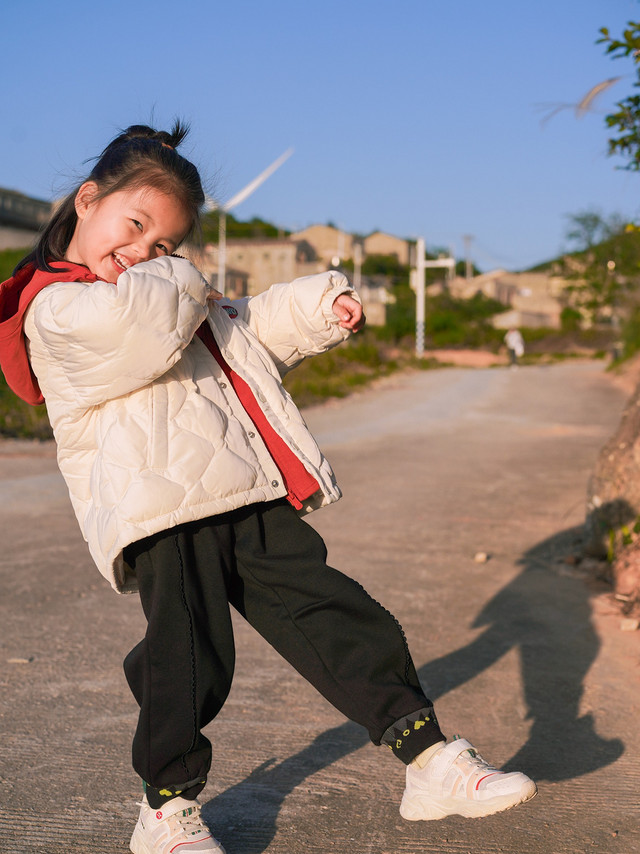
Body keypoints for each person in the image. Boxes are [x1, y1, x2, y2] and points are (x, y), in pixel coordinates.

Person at [0, 123, 537, 854]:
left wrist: (319, 307)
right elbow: (141, 329)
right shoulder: (56, 306)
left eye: (164, 243)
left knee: (339, 615)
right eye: (135, 226)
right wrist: (186, 275)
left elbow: (242, 332)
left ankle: (429, 761)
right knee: (190, 656)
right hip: (160, 508)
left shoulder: (164, 291)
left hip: (241, 492)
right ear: (85, 201)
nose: (143, 253)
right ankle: (166, 810)